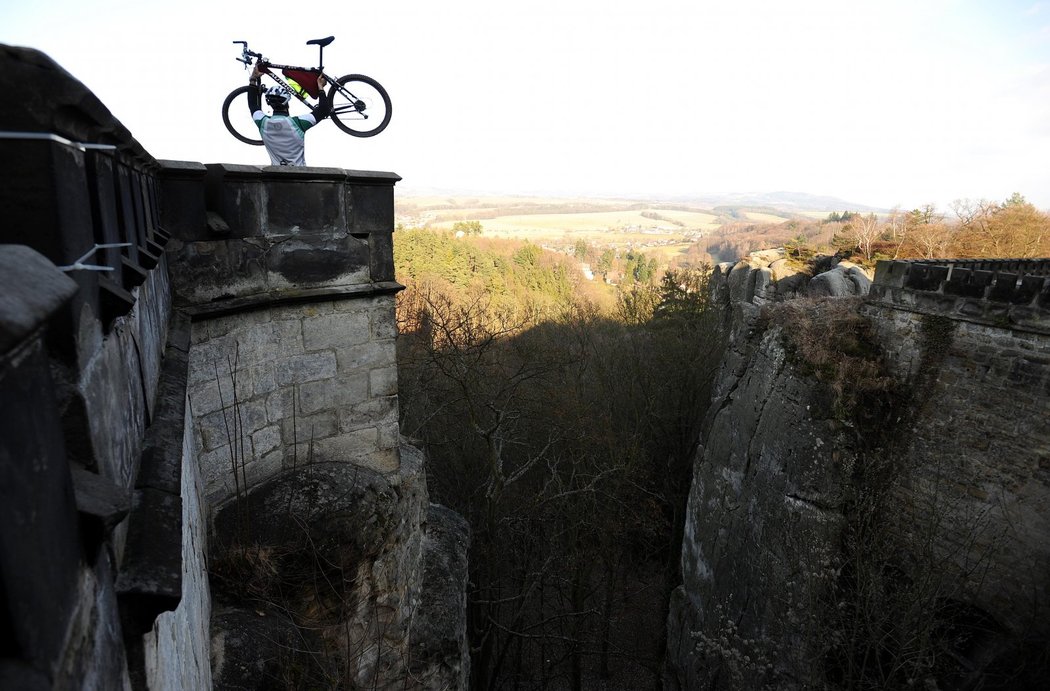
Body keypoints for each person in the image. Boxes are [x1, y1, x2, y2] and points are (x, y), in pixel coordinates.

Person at [248, 62, 333, 166]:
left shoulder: (263, 123)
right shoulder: (298, 124)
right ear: (287, 102)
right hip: (300, 176)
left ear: (269, 104)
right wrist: (320, 87)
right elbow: (324, 110)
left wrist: (253, 79)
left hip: (276, 177)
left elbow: (253, 105)